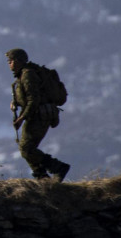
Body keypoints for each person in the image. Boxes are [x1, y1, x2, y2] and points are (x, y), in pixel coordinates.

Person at [8, 48, 71, 181]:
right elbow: (29, 98)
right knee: (27, 148)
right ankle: (42, 177)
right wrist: (16, 103)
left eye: (10, 61)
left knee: (26, 148)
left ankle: (57, 167)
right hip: (38, 114)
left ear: (17, 61)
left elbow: (33, 99)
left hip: (40, 115)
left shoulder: (27, 75)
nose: (9, 64)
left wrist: (21, 118)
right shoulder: (24, 75)